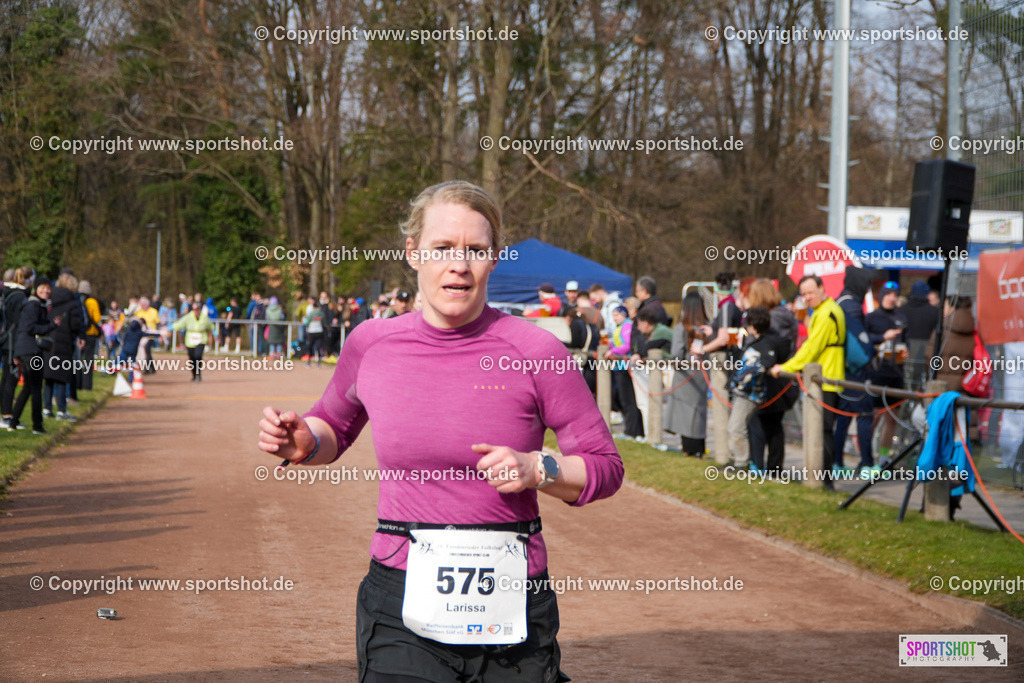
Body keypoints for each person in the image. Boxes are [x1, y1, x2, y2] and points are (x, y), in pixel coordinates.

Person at [257, 180, 622, 681]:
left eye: (475, 250)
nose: (459, 263)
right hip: (401, 602)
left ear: (494, 259)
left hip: (514, 604)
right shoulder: (371, 344)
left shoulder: (537, 352)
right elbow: (332, 427)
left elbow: (605, 466)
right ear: (413, 253)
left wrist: (537, 467)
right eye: (443, 248)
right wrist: (303, 442)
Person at [770, 275, 846, 489]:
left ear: (822, 288)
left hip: (827, 379)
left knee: (823, 431)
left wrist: (785, 367)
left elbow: (812, 348)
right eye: (803, 294)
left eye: (811, 292)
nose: (807, 297)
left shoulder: (827, 312)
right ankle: (822, 479)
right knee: (822, 430)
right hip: (825, 377)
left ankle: (824, 481)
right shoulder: (823, 311)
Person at [727, 307, 786, 469]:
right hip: (743, 391)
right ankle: (737, 460)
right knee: (735, 426)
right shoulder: (755, 341)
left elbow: (766, 362)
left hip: (750, 393)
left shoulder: (766, 344)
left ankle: (741, 462)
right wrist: (734, 348)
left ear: (753, 325)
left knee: (736, 427)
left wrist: (749, 372)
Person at [831, 267, 876, 473]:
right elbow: (862, 342)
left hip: (842, 368)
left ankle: (837, 462)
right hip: (856, 370)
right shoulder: (853, 307)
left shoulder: (839, 302)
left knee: (843, 417)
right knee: (865, 414)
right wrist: (879, 341)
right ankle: (866, 463)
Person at [6, 278, 59, 434]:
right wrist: (52, 326)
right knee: (36, 388)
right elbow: (30, 327)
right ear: (36, 288)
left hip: (25, 350)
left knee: (28, 388)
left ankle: (13, 422)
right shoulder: (33, 305)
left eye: (48, 288)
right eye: (43, 287)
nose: (46, 291)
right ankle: (37, 425)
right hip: (31, 350)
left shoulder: (35, 304)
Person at [865, 281, 908, 464]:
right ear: (882, 296)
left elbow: (905, 342)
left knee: (892, 419)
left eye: (895, 295)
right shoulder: (871, 318)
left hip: (896, 373)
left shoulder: (901, 318)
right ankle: (867, 457)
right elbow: (864, 341)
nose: (892, 298)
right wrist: (882, 338)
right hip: (877, 373)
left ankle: (883, 457)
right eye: (888, 294)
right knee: (873, 417)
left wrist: (907, 352)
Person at [665, 291, 709, 456]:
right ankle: (699, 449)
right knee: (698, 412)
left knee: (685, 413)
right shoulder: (708, 327)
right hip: (702, 374)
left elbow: (676, 354)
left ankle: (688, 450)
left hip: (685, 374)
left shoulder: (681, 328)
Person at [43, 272, 85, 421]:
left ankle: (47, 408)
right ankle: (61, 410)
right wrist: (78, 335)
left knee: (49, 377)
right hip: (64, 342)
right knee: (61, 377)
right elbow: (76, 324)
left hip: (49, 340)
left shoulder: (50, 299)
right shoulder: (72, 302)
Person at [1, 266, 32, 426]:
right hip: (13, 342)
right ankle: (6, 415)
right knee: (11, 378)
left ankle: (5, 413)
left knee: (7, 377)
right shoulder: (19, 296)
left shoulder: (9, 294)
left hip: (7, 341)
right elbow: (20, 322)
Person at [605, 305, 642, 438]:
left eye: (617, 315)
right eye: (613, 315)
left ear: (624, 315)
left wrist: (613, 351)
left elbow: (627, 345)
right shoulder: (620, 327)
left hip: (625, 367)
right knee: (624, 399)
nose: (615, 318)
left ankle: (632, 431)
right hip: (620, 366)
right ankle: (632, 430)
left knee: (628, 399)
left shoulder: (626, 326)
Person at [898, 280, 939, 390]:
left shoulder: (901, 311)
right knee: (923, 382)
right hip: (927, 352)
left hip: (906, 351)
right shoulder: (935, 312)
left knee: (906, 381)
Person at [172, 301, 215, 382]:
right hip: (190, 341)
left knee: (198, 356)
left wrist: (216, 335)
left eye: (197, 309)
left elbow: (211, 327)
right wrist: (168, 329)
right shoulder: (188, 317)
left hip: (201, 340)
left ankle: (198, 374)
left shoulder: (204, 318)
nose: (195, 311)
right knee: (192, 359)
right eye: (194, 309)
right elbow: (178, 325)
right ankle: (194, 375)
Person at [78, 281, 103, 392]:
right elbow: (97, 319)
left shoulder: (76, 300)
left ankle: (77, 384)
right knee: (88, 360)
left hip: (79, 334)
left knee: (77, 360)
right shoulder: (92, 301)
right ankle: (87, 386)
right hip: (90, 333)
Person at [302, 296, 326, 366]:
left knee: (310, 346)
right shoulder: (321, 314)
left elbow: (306, 322)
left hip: (312, 332)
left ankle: (309, 362)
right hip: (319, 331)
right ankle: (318, 362)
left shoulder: (312, 314)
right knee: (318, 347)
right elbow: (324, 323)